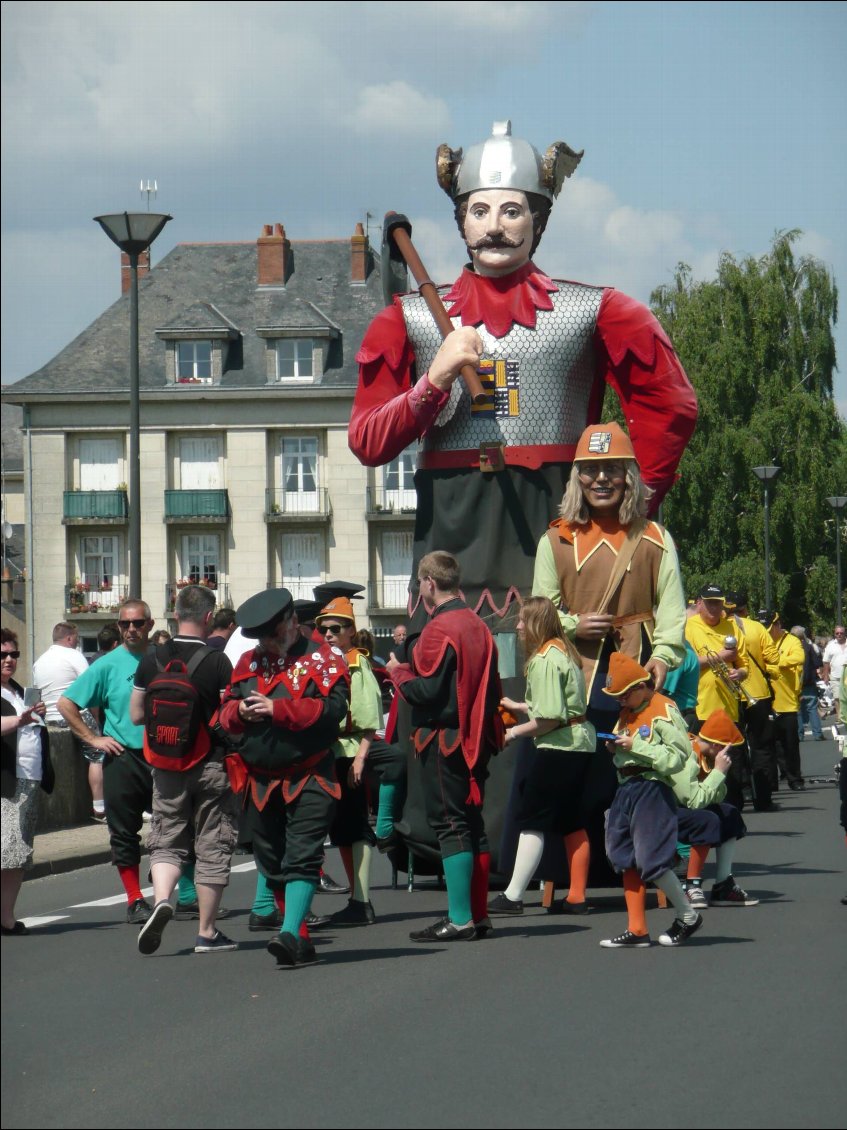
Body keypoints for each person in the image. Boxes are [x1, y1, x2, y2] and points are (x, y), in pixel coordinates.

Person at [349, 120, 696, 636]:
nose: (494, 227)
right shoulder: (409, 317)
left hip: (556, 513)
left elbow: (670, 405)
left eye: (512, 211)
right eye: (480, 211)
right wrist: (434, 382)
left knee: (556, 676)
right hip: (450, 524)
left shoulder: (595, 309)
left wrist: (626, 505)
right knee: (450, 682)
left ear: (539, 219)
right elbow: (367, 440)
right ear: (461, 220)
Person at [218, 589, 350, 968]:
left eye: (273, 635)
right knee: (271, 860)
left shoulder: (324, 659)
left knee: (303, 854)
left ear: (293, 623)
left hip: (310, 773)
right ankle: (300, 939)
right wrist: (239, 712)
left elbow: (333, 710)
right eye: (261, 638)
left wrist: (279, 709)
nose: (267, 645)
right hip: (259, 780)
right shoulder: (248, 661)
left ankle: (290, 932)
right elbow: (224, 711)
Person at [386, 551, 503, 942]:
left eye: (420, 583)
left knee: (451, 826)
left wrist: (396, 673)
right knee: (473, 827)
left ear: (429, 583)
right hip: (475, 738)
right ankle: (478, 915)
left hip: (446, 740)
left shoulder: (440, 628)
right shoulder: (477, 624)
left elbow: (428, 691)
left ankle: (459, 918)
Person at [129, 584, 236, 955]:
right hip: (209, 763)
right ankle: (207, 932)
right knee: (212, 843)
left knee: (166, 837)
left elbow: (137, 714)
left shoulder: (151, 658)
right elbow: (229, 718)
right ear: (209, 618)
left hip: (165, 765)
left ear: (175, 614)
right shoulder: (218, 662)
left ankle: (161, 899)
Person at [488, 596, 595, 917]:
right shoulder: (564, 652)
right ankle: (576, 896)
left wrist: (511, 733)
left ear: (536, 624)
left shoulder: (543, 659)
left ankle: (513, 895)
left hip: (558, 747)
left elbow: (548, 719)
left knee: (532, 818)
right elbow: (561, 706)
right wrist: (520, 707)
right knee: (571, 821)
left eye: (523, 620)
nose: (518, 627)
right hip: (579, 744)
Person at [58, 599, 155, 923]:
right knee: (124, 832)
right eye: (124, 624)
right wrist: (93, 737)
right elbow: (66, 703)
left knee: (177, 828)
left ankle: (181, 893)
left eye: (137, 623)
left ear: (149, 625)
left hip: (163, 757)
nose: (130, 629)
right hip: (124, 757)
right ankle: (135, 899)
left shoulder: (164, 660)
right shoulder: (107, 664)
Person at [313, 596, 405, 927]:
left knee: (354, 827)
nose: (328, 635)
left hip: (350, 751)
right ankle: (357, 897)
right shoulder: (326, 660)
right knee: (343, 830)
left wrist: (361, 758)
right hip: (331, 752)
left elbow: (368, 718)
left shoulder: (357, 662)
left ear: (351, 630)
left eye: (335, 629)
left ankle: (361, 901)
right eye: (323, 629)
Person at [599, 653, 701, 948]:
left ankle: (688, 915)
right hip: (626, 787)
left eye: (622, 695)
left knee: (651, 859)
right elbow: (625, 743)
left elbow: (678, 757)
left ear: (640, 686)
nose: (619, 702)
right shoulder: (627, 711)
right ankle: (637, 929)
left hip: (652, 788)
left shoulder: (664, 709)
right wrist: (615, 748)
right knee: (623, 856)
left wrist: (637, 746)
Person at [670, 709, 758, 909]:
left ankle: (723, 885)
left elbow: (715, 798)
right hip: (661, 810)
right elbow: (694, 801)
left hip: (682, 807)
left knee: (729, 813)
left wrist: (718, 774)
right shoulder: (688, 755)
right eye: (729, 750)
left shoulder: (707, 757)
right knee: (706, 819)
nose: (730, 755)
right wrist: (717, 772)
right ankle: (691, 885)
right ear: (718, 745)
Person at [1, 628, 53, 935]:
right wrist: (21, 719)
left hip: (28, 780)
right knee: (5, 850)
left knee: (18, 852)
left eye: (14, 655)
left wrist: (37, 714)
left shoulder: (18, 691)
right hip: (5, 781)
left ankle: (6, 916)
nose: (9, 660)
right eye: (3, 655)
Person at [33, 621, 105, 820]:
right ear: (70, 638)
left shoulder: (39, 661)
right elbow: (90, 689)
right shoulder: (74, 655)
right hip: (76, 715)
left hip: (50, 719)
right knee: (97, 755)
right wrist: (96, 721)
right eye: (76, 638)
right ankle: (99, 807)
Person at [725, 591, 781, 811]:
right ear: (745, 609)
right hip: (758, 692)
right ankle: (764, 799)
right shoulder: (757, 628)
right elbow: (773, 658)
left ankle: (736, 799)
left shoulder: (719, 629)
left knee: (734, 748)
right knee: (762, 747)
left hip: (730, 693)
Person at [761, 611, 805, 791]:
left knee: (790, 744)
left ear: (778, 624)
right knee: (769, 745)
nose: (768, 631)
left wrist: (774, 665)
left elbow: (798, 658)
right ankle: (771, 783)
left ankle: (795, 778)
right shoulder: (762, 638)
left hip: (787, 701)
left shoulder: (792, 641)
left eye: (771, 627)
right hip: (765, 700)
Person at [792, 625, 824, 741]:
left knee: (798, 710)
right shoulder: (809, 647)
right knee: (812, 708)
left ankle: (800, 735)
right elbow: (817, 663)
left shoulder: (790, 648)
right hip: (809, 681)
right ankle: (817, 733)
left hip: (795, 682)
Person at [822, 625, 846, 712]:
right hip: (835, 677)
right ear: (834, 634)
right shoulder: (830, 645)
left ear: (845, 633)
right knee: (837, 697)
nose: (839, 635)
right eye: (837, 633)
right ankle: (839, 717)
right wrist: (825, 676)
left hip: (846, 676)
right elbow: (826, 662)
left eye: (841, 633)